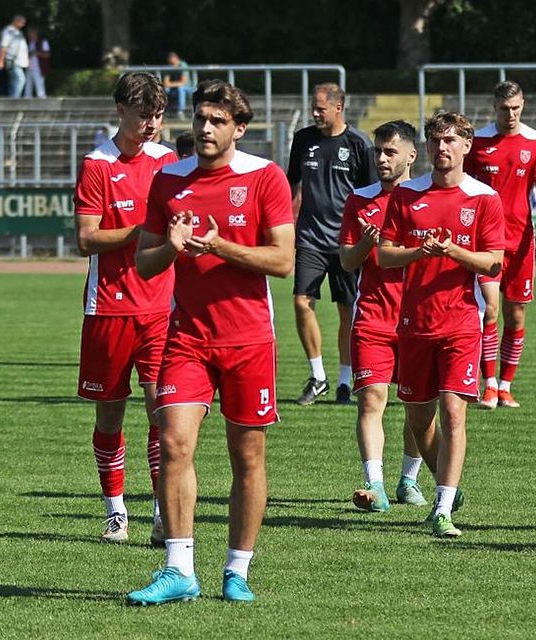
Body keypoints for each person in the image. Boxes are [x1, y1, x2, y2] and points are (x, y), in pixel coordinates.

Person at [127, 79, 295, 604]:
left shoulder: (265, 177)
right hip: (187, 338)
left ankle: (238, 570)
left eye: (217, 121)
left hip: (249, 339)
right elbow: (144, 261)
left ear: (238, 129)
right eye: (200, 118)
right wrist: (172, 249)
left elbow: (283, 262)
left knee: (247, 458)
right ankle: (179, 569)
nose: (204, 128)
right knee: (174, 443)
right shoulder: (169, 180)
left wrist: (222, 246)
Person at [378, 112, 506, 537]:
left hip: (461, 323)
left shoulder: (484, 198)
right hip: (414, 323)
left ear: (467, 145)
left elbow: (492, 261)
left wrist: (452, 252)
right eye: (435, 140)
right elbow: (384, 254)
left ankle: (442, 507)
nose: (442, 148)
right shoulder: (407, 194)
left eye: (450, 140)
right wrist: (418, 254)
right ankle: (445, 487)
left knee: (454, 413)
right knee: (419, 419)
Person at [73, 72, 178, 546]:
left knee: (163, 411)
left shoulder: (169, 161)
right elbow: (86, 238)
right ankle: (116, 509)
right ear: (120, 110)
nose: (152, 124)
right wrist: (136, 232)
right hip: (109, 309)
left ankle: (160, 508)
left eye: (158, 115)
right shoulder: (96, 164)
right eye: (143, 115)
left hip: (161, 307)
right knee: (110, 416)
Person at [339, 120, 429, 512]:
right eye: (378, 151)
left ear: (411, 155)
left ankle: (408, 479)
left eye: (390, 152)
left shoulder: (426, 199)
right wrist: (365, 241)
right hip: (373, 317)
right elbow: (346, 261)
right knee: (371, 401)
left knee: (417, 406)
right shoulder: (359, 200)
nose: (381, 159)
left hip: (419, 319)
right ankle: (374, 484)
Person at [465, 80, 536, 410]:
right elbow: (465, 188)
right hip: (486, 242)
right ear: (495, 107)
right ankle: (487, 384)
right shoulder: (478, 142)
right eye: (505, 109)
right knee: (489, 310)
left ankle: (505, 385)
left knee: (515, 316)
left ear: (524, 105)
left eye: (516, 108)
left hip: (522, 242)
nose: (511, 114)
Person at [287, 82, 377, 405]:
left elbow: (371, 196)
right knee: (301, 303)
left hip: (346, 243)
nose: (314, 113)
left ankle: (343, 381)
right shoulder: (303, 140)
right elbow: (292, 186)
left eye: (320, 108)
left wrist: (366, 239)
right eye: (313, 107)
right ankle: (318, 376)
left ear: (338, 108)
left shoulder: (359, 144)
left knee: (347, 312)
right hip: (310, 239)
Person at [0, 14, 29, 98]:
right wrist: (0, 61)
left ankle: (12, 98)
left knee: (13, 81)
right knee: (21, 80)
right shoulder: (8, 31)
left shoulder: (18, 32)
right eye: (22, 22)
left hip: (19, 61)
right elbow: (4, 46)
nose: (23, 25)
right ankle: (14, 100)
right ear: (16, 21)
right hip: (12, 60)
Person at [162, 51, 193, 120]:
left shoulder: (183, 65)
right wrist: (168, 85)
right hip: (174, 88)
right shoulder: (169, 67)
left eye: (173, 63)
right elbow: (165, 83)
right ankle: (164, 111)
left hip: (187, 88)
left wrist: (170, 84)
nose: (172, 65)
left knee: (180, 89)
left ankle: (180, 111)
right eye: (170, 63)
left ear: (176, 59)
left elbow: (183, 82)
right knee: (165, 89)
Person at [23, 27, 50, 98]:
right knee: (27, 88)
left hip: (39, 68)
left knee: (40, 88)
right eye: (28, 34)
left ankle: (43, 105)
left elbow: (47, 55)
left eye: (30, 33)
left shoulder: (43, 42)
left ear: (35, 33)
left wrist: (36, 53)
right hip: (29, 68)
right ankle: (26, 105)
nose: (29, 35)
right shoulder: (28, 43)